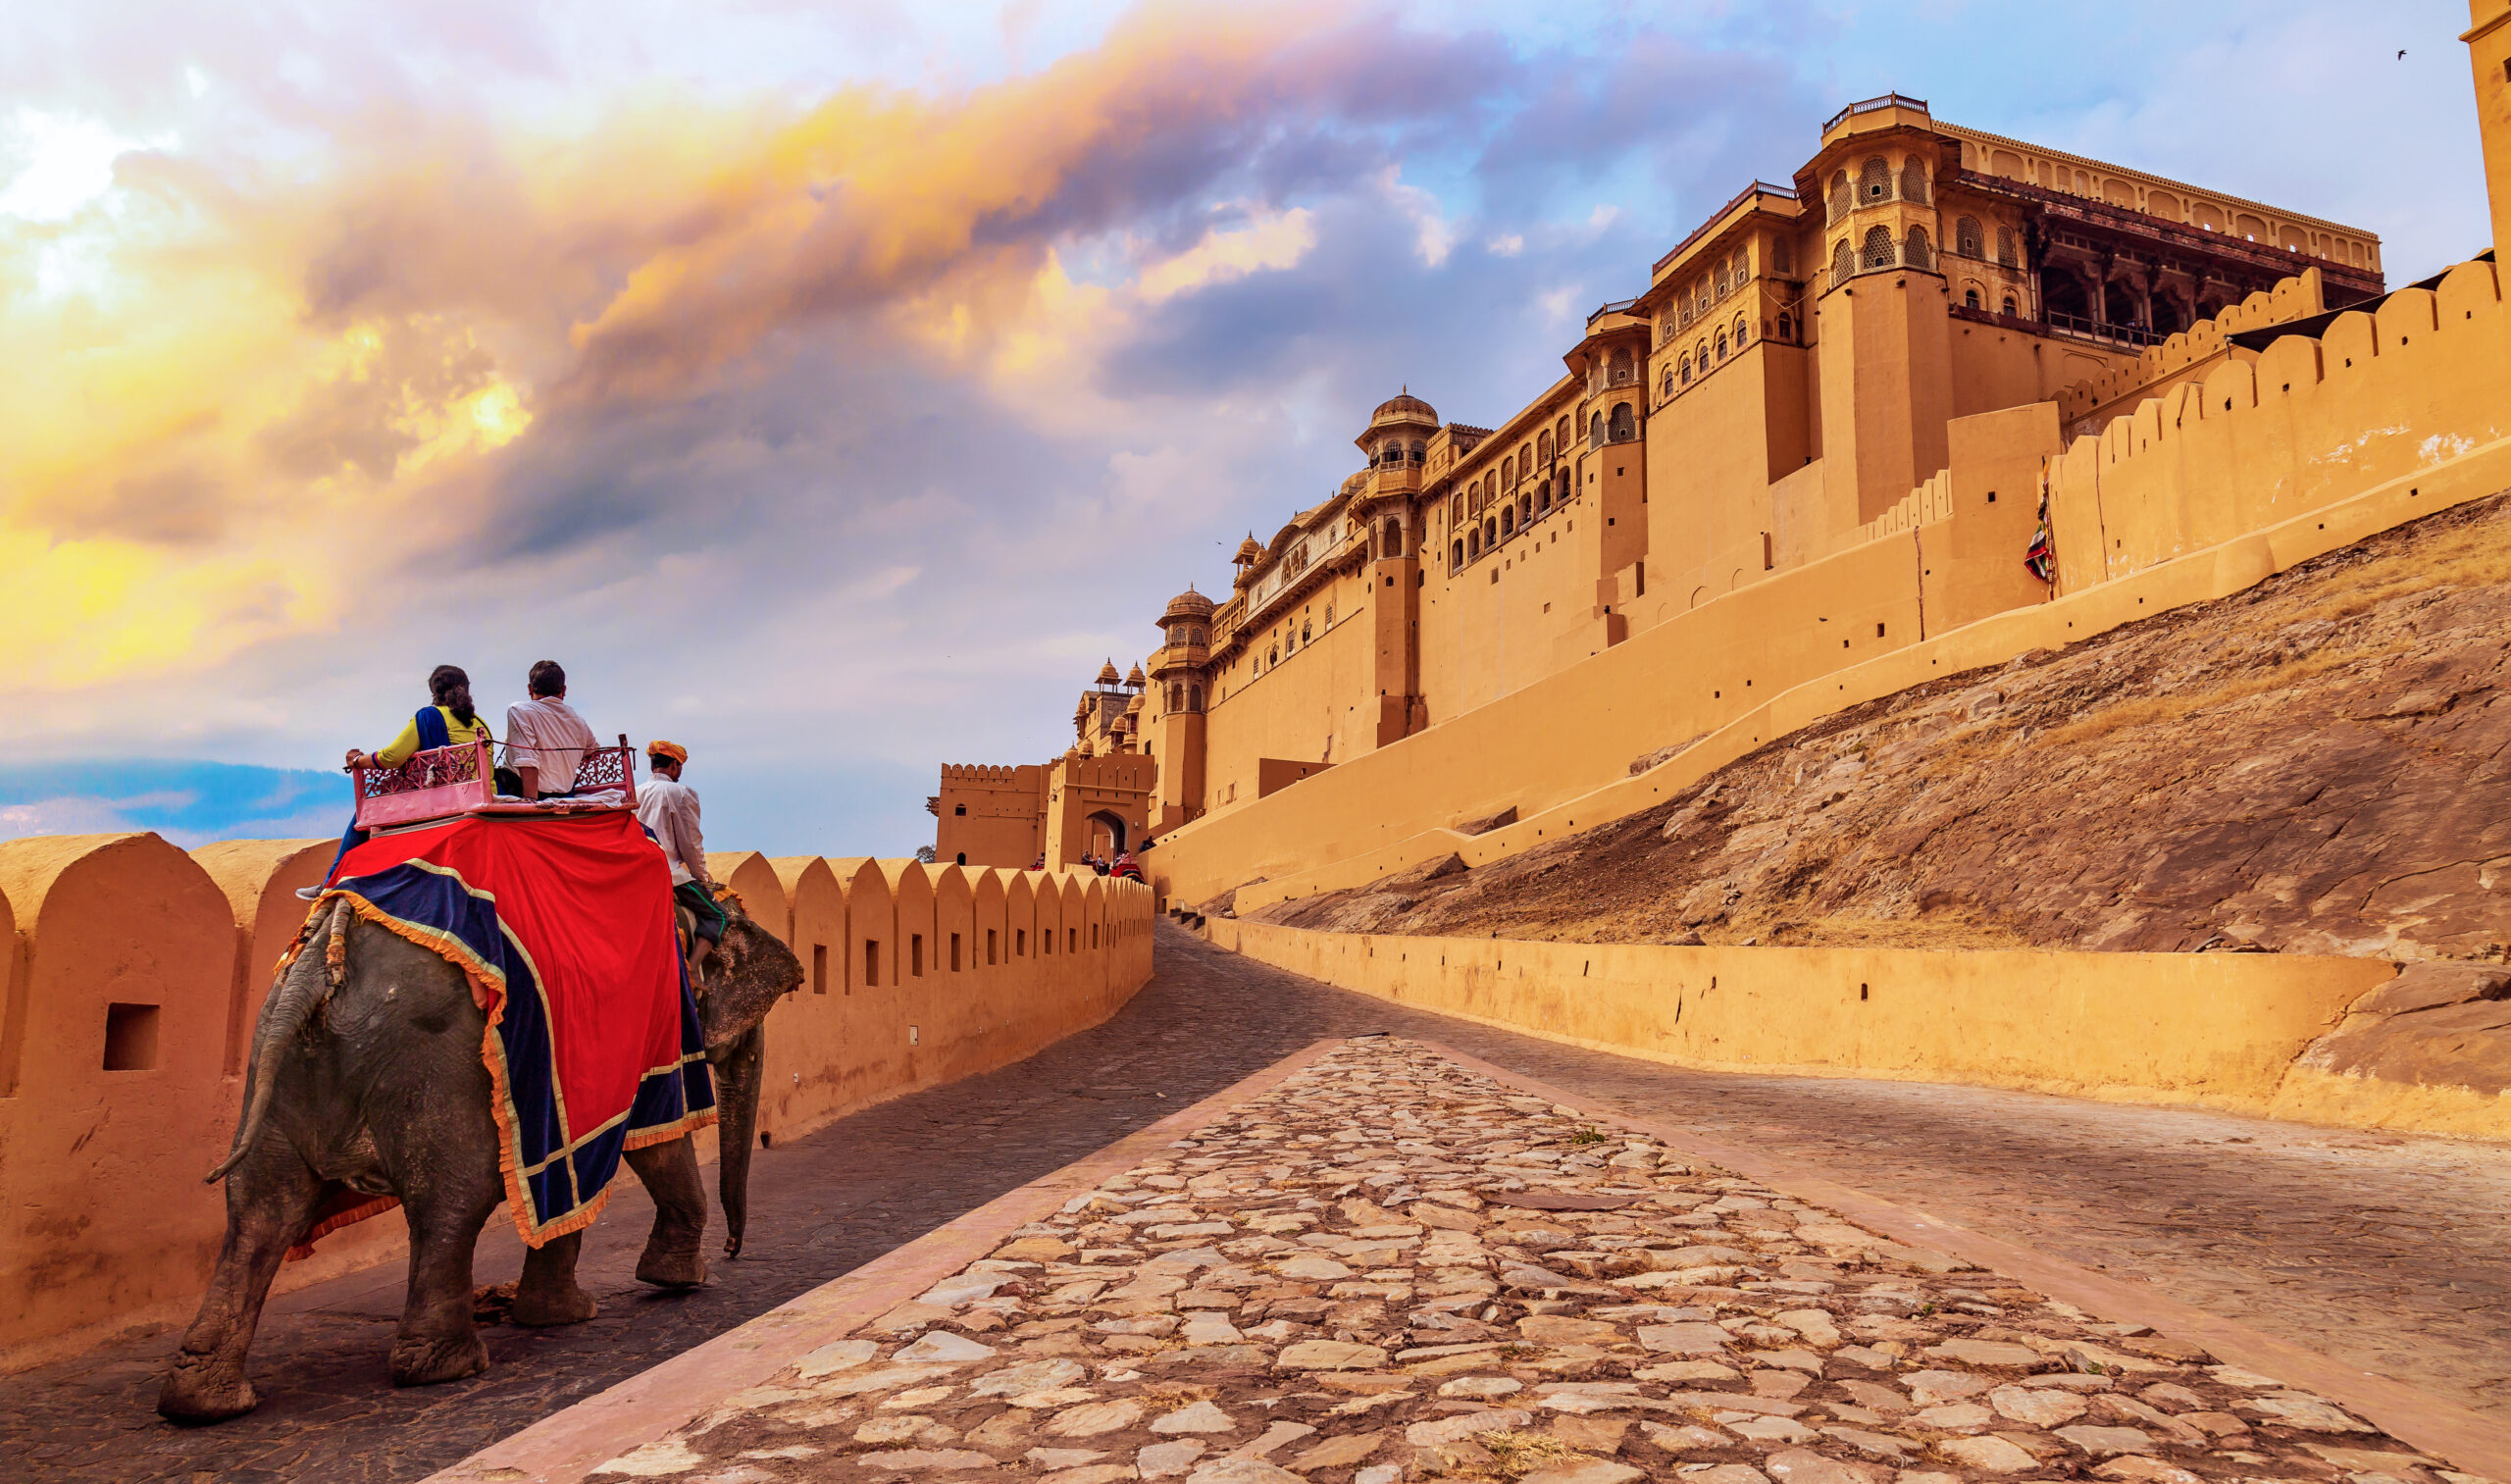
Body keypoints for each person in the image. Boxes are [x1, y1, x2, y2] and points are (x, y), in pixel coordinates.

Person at [305, 665, 494, 896]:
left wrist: (357, 761)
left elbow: (392, 757)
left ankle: (331, 881)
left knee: (364, 815)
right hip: (486, 794)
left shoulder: (428, 716)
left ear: (434, 693)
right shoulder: (480, 723)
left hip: (446, 797)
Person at [637, 740, 725, 964]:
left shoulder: (634, 794)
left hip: (635, 872)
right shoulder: (681, 793)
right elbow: (691, 843)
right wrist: (703, 880)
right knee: (719, 916)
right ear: (675, 766)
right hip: (668, 874)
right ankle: (694, 969)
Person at [499, 659, 598, 800]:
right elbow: (592, 750)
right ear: (563, 690)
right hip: (566, 793)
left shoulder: (520, 710)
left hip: (526, 792)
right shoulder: (579, 721)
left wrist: (531, 802)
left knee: (495, 776)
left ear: (529, 688)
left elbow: (527, 759)